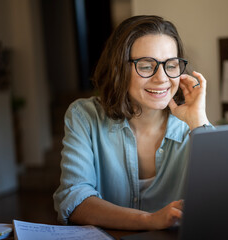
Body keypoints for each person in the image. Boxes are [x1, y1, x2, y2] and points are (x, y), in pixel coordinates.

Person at [53, 15, 213, 231]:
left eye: (171, 65)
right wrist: (150, 220)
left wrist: (199, 122)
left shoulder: (193, 127)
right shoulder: (84, 116)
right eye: (147, 66)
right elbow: (74, 201)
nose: (162, 78)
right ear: (119, 69)